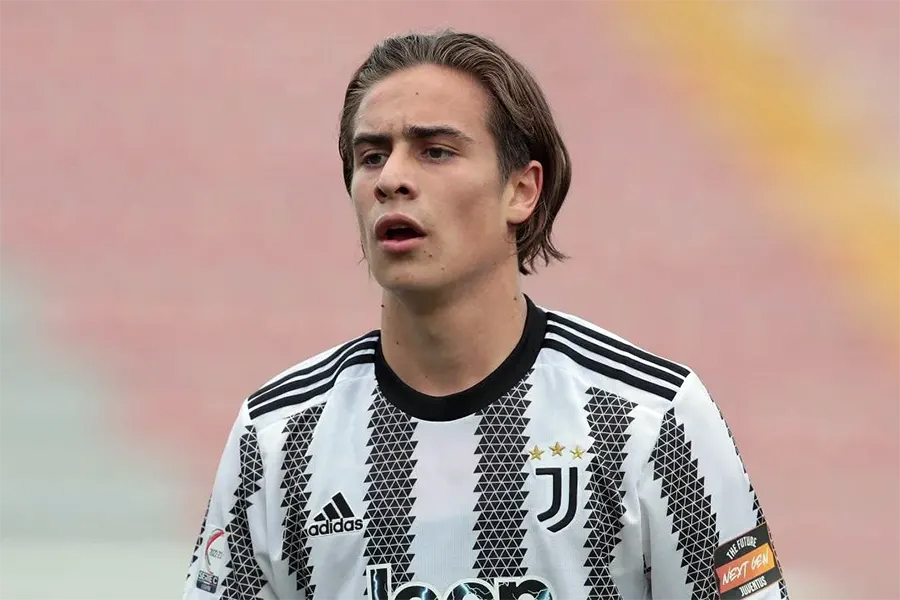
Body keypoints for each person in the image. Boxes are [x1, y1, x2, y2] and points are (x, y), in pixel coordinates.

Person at [183, 29, 788, 600]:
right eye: (371, 157)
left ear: (521, 190)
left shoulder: (649, 418)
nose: (392, 179)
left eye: (435, 151)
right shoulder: (278, 435)